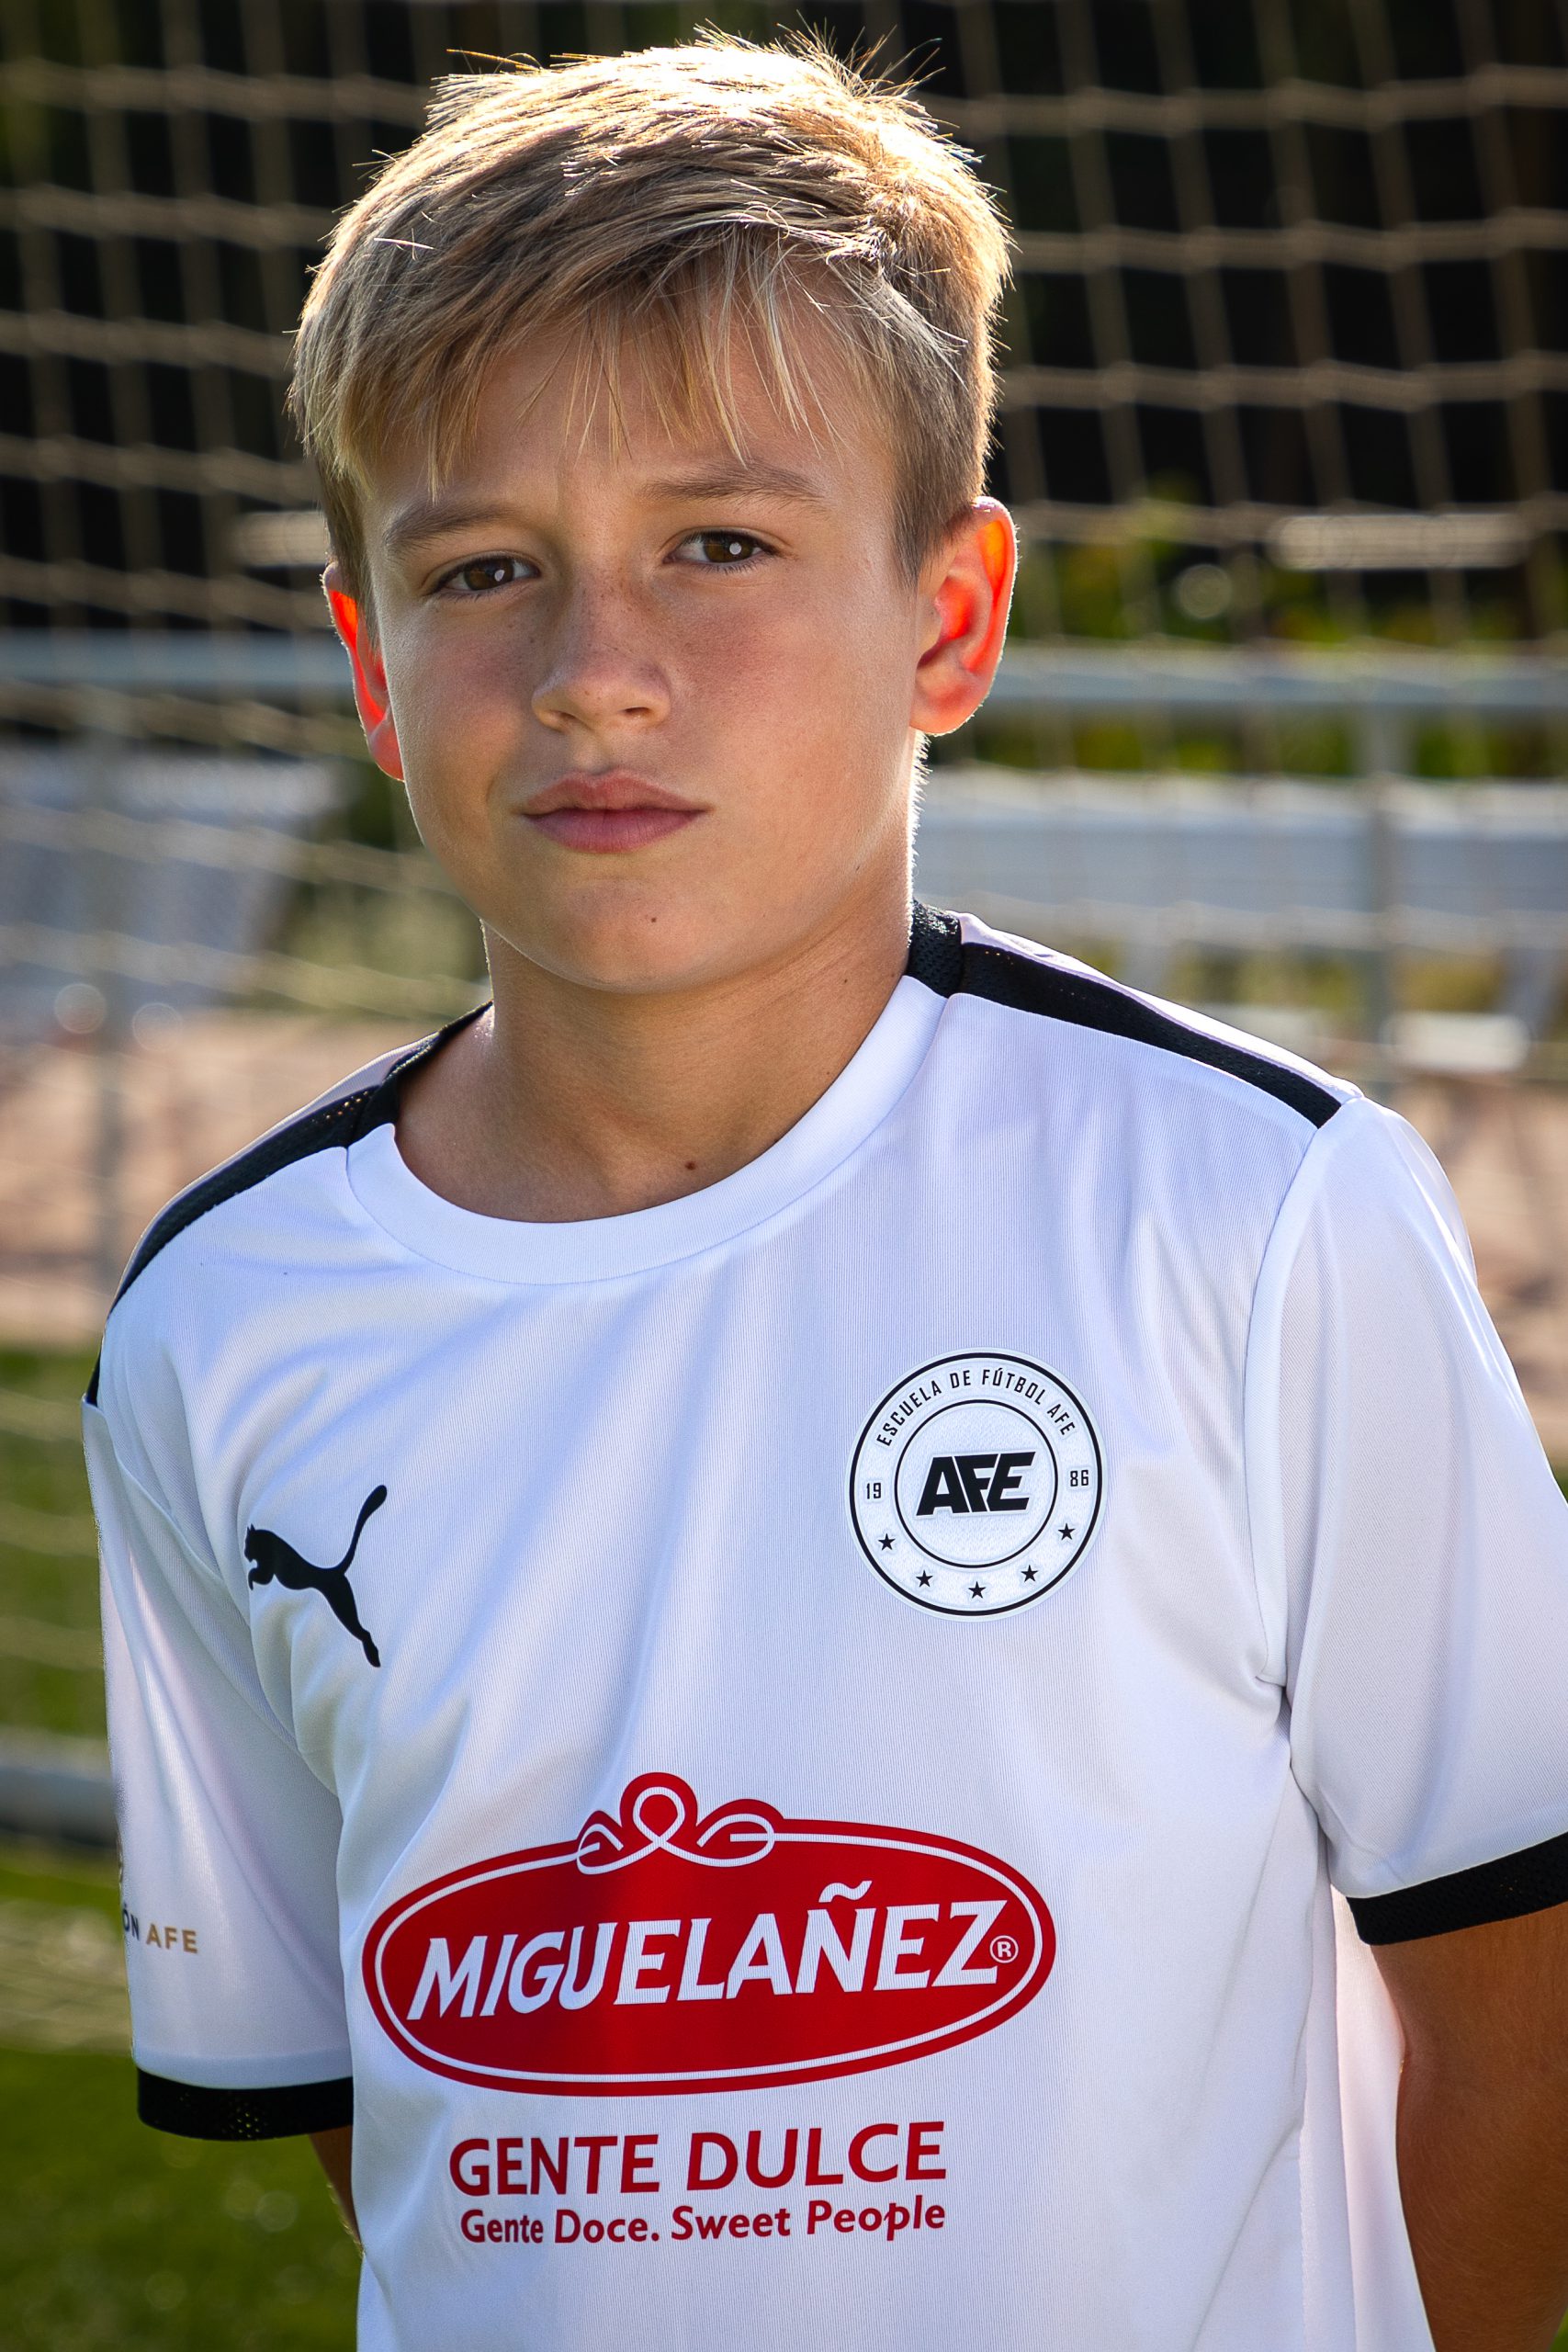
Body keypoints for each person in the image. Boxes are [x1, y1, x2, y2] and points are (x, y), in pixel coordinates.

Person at [85, 36, 1568, 2352]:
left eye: (718, 544)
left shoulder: (1251, 1214)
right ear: (370, 664)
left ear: (947, 621)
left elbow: (1520, 2020)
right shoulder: (222, 1318)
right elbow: (387, 2092)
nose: (594, 675)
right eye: (486, 567)